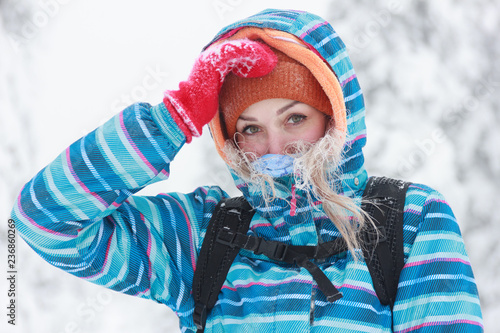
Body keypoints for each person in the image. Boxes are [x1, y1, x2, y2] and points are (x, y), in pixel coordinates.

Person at [11, 8, 483, 332]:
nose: (274, 147)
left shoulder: (407, 220)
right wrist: (173, 118)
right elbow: (46, 221)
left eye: (295, 118)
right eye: (250, 129)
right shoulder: (204, 237)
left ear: (336, 116)